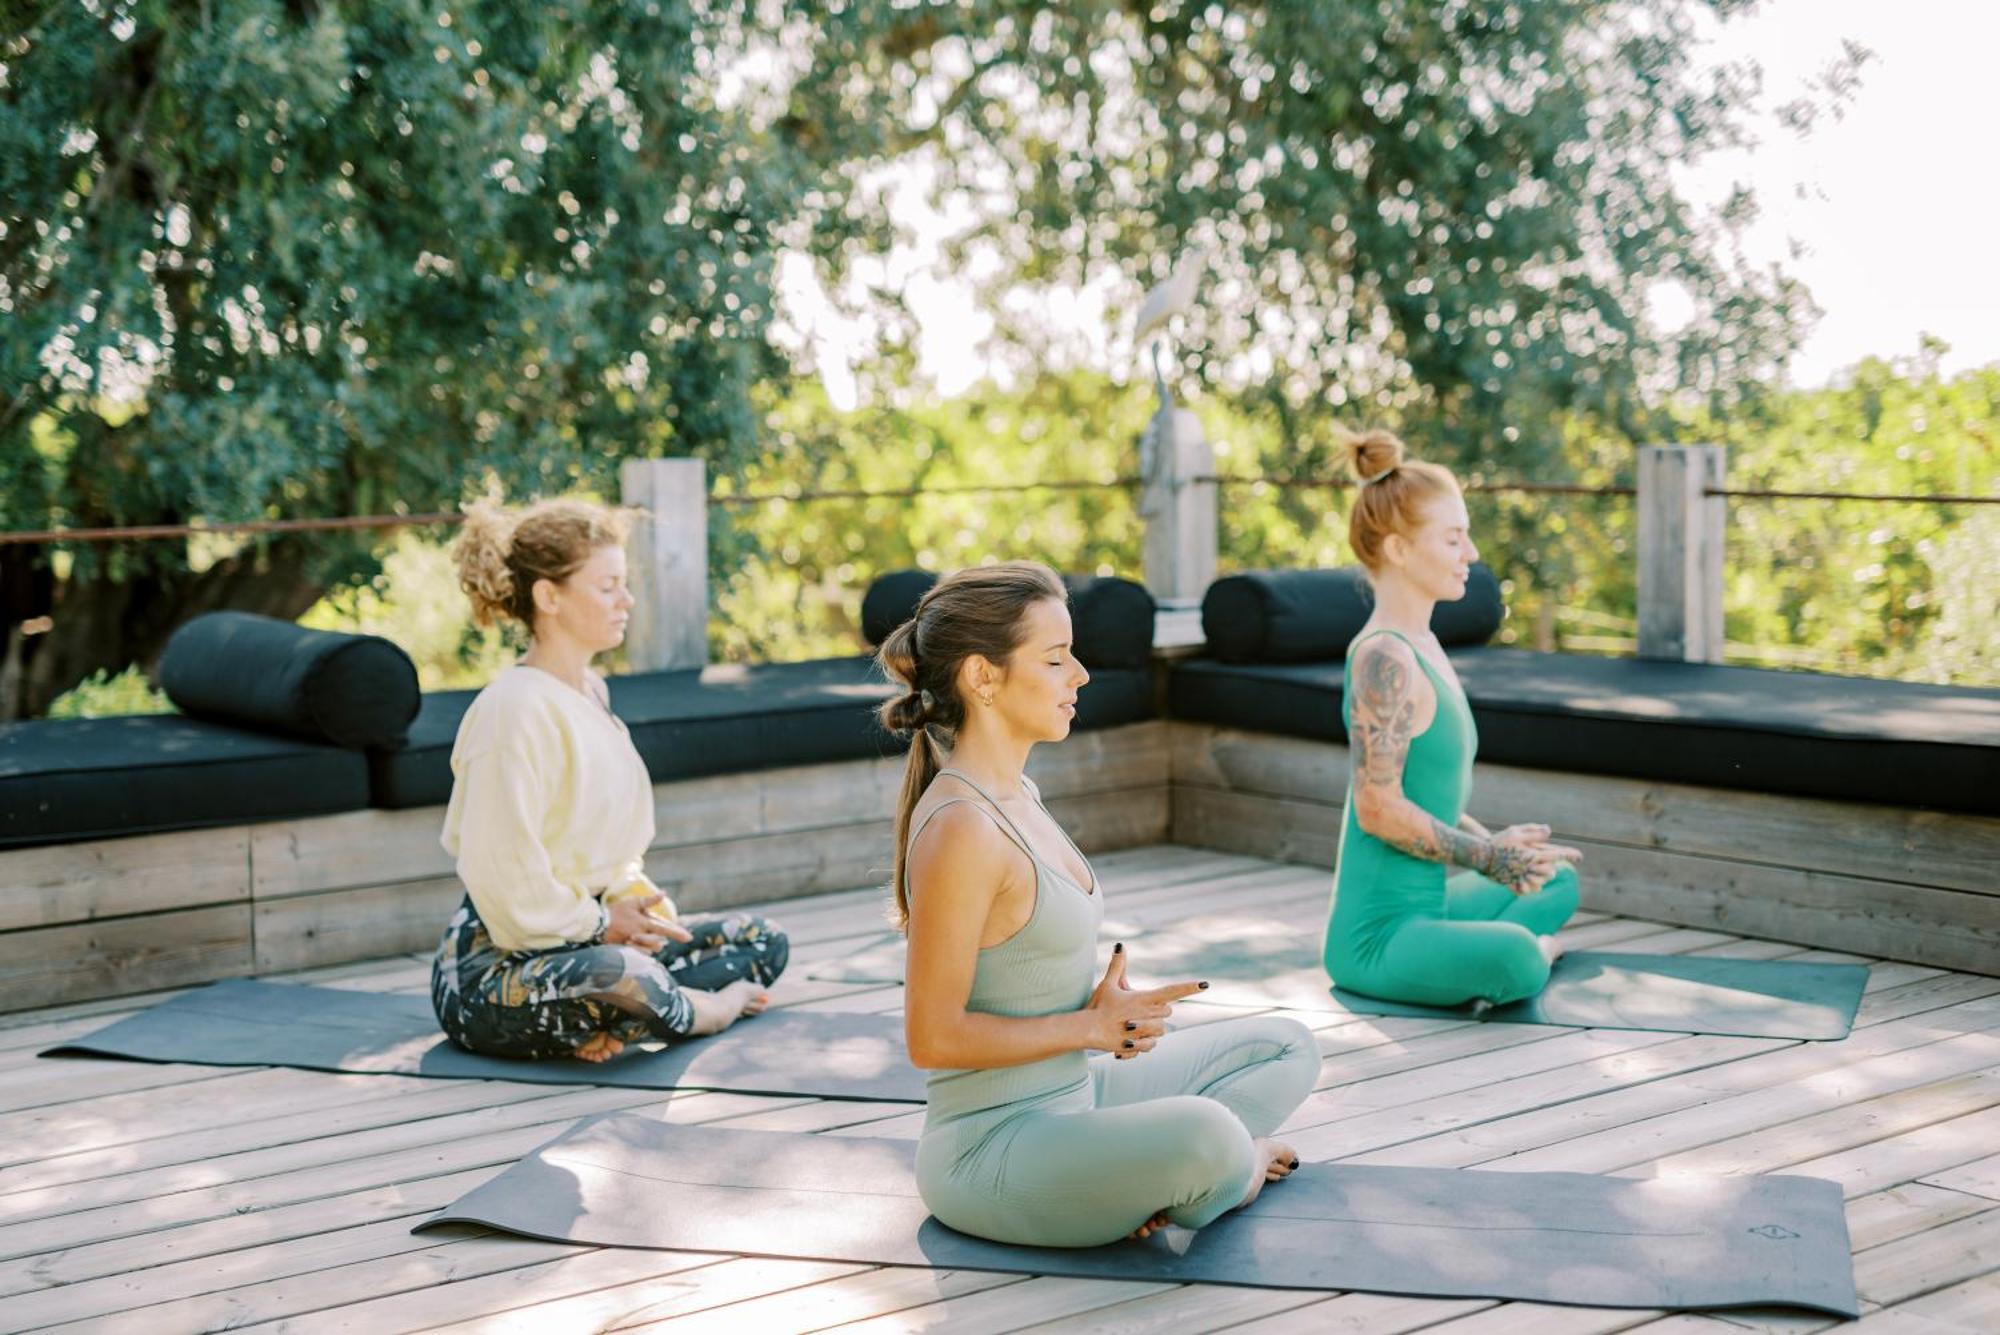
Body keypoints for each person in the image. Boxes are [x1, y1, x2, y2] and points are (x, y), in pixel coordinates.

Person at [880, 561, 1320, 1247]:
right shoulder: (962, 826)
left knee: (1285, 1044)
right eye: (1055, 659)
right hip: (993, 1148)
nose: (1080, 675)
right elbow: (931, 1037)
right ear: (982, 677)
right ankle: (1232, 1167)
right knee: (1209, 1136)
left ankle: (1149, 1176)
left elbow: (1012, 981)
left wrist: (1098, 1008)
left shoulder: (1019, 795)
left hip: (1077, 1092)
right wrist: (1088, 1030)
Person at [429, 495, 788, 1063]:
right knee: (625, 974)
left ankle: (621, 1021)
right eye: (607, 586)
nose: (628, 600)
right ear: (549, 596)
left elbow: (606, 851)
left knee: (761, 939)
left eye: (625, 583)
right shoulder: (512, 710)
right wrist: (602, 926)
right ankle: (703, 1010)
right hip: (494, 974)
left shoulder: (591, 692)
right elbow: (504, 881)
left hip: (591, 938)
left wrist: (633, 910)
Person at [1323, 430, 1582, 1009]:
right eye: (1453, 539)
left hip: (1433, 906)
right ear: (1397, 549)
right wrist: (1490, 859)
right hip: (1376, 940)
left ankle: (1494, 948)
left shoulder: (1424, 644)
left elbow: (1429, 793)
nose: (1470, 555)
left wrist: (1499, 849)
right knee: (1516, 957)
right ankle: (1527, 953)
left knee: (1557, 878)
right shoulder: (1382, 657)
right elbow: (1378, 806)